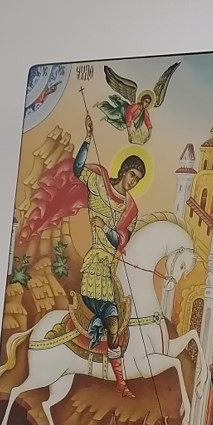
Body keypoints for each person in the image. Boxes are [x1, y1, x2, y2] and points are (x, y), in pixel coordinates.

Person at [73, 114, 146, 398]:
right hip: (94, 265)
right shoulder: (98, 183)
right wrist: (88, 138)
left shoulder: (131, 209)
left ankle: (120, 383)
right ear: (124, 170)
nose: (133, 182)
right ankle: (97, 326)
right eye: (132, 175)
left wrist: (107, 228)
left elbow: (121, 240)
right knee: (111, 321)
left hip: (109, 268)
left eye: (138, 179)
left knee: (116, 326)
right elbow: (78, 169)